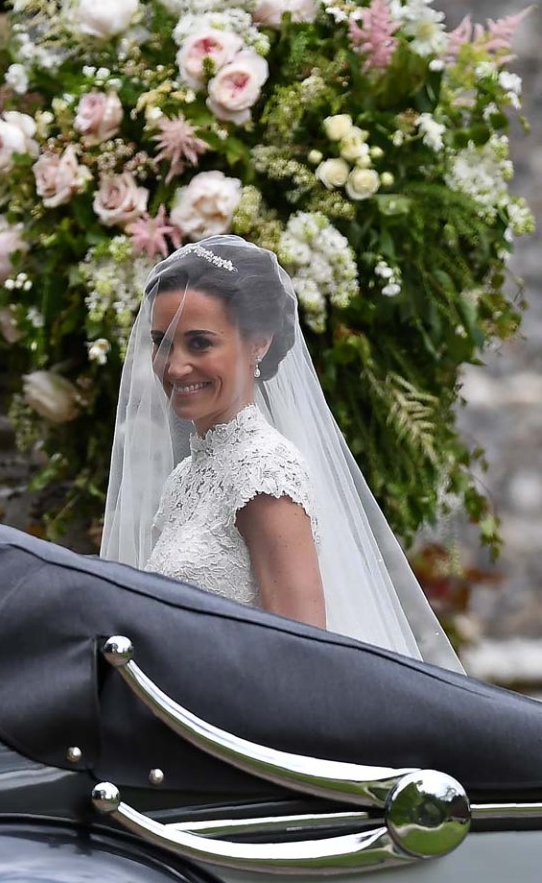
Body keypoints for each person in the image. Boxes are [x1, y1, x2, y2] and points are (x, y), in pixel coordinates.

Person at [101, 235, 463, 672]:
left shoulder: (263, 472)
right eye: (162, 342)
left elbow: (299, 656)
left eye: (199, 343)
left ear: (259, 343)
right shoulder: (186, 476)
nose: (174, 366)